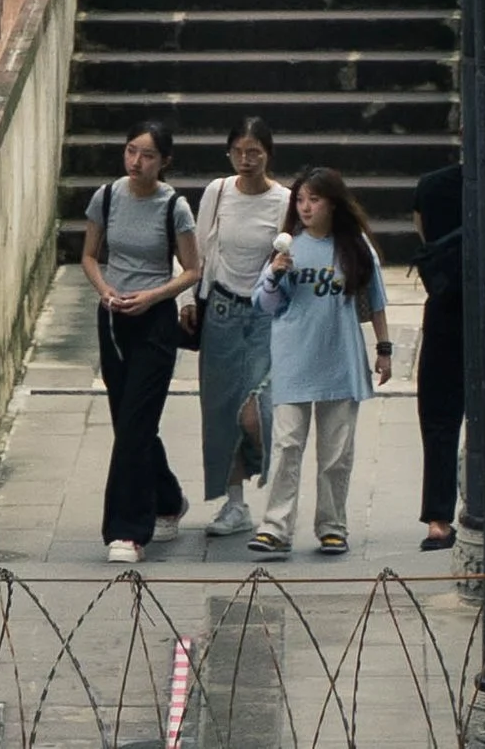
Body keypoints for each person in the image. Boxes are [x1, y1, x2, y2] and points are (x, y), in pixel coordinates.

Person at [249, 165, 391, 556]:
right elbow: (263, 304)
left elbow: (375, 300)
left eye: (314, 199)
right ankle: (275, 526)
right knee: (286, 446)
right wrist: (275, 275)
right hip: (294, 357)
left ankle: (332, 526)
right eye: (300, 200)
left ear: (333, 203)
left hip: (340, 358)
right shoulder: (287, 248)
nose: (305, 207)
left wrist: (384, 349)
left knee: (336, 454)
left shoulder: (354, 246)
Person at [81, 120, 200, 563]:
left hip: (155, 321)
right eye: (131, 151)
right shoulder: (107, 196)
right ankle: (167, 498)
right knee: (130, 421)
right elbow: (89, 256)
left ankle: (127, 531)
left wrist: (152, 295)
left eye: (147, 155)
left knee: (135, 421)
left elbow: (192, 270)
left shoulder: (175, 208)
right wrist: (105, 290)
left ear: (164, 161)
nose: (136, 161)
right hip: (113, 318)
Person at [190, 114, 285, 538]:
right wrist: (183, 298)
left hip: (265, 315)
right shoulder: (219, 190)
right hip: (222, 312)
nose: (245, 161)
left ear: (268, 155)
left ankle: (274, 481)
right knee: (221, 413)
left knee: (256, 414)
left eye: (254, 153)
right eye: (239, 152)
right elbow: (196, 249)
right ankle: (234, 504)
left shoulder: (284, 201)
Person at [409, 155, 464, 548]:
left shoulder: (430, 185)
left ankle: (438, 519)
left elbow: (423, 236)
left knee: (440, 418)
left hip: (446, 306)